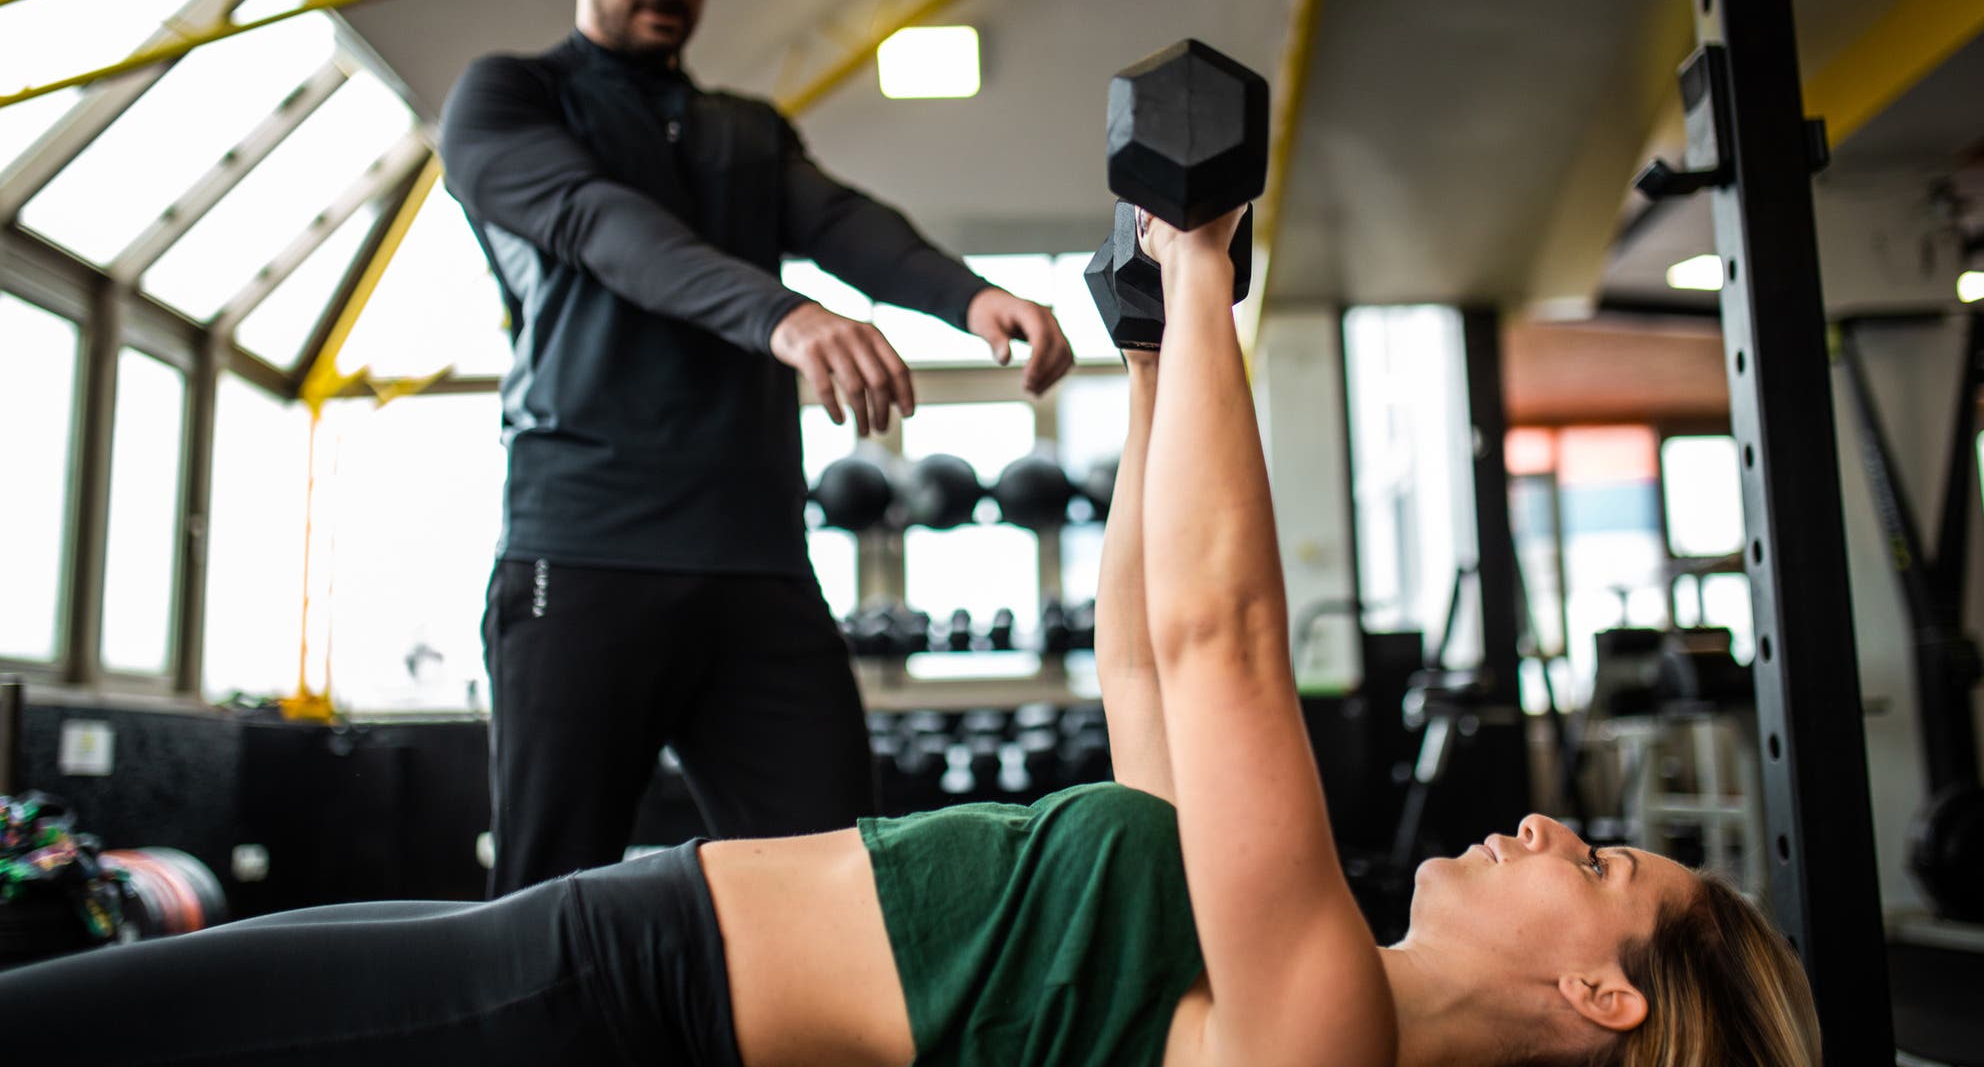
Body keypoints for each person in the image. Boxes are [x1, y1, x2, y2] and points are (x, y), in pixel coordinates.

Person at [0, 206, 1821, 1067]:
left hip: (623, 1007)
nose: (1543, 825)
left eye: (1598, 864)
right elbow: (1140, 665)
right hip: (601, 955)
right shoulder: (1301, 952)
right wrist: (1154, 351)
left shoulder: (1323, 1031)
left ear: (1603, 994)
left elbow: (1222, 643)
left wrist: (1200, 274)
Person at [438, 0, 1075, 893]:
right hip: (585, 556)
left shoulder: (744, 128)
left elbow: (840, 222)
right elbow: (601, 225)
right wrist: (779, 314)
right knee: (545, 906)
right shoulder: (511, 98)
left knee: (846, 894)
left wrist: (968, 296)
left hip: (758, 567)